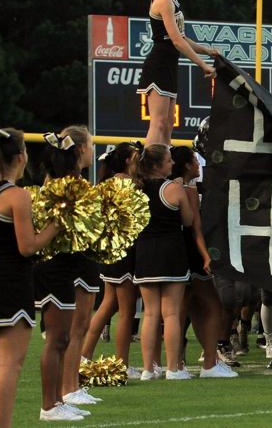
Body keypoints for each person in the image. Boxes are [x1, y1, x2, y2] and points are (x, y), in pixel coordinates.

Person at [0, 124, 61, 427]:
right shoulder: (17, 196)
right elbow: (27, 247)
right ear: (21, 156)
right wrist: (55, 226)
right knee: (11, 364)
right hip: (13, 281)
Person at [34, 126, 98, 420]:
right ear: (80, 149)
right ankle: (56, 400)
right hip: (59, 262)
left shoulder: (74, 182)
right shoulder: (61, 184)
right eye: (91, 144)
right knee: (60, 335)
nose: (93, 150)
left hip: (72, 260)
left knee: (69, 332)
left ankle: (62, 396)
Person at [138, 0, 217, 145]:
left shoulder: (172, 1)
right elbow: (176, 40)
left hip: (169, 65)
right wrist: (203, 65)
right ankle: (149, 163)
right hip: (159, 65)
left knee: (168, 122)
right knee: (158, 122)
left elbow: (183, 37)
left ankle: (164, 161)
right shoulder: (163, 1)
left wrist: (207, 51)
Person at [170, 146, 237, 378]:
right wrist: (205, 255)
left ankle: (176, 364)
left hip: (174, 252)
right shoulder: (187, 188)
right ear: (187, 165)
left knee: (183, 308)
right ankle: (209, 362)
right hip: (191, 252)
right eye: (195, 161)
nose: (199, 164)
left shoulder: (167, 186)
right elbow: (195, 227)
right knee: (211, 306)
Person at [133, 144, 194, 379]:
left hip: (145, 253)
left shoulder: (135, 189)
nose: (173, 163)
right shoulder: (173, 189)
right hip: (172, 254)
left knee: (150, 314)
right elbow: (188, 221)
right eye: (169, 160)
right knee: (171, 314)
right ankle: (172, 369)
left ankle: (148, 369)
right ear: (158, 165)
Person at [81, 143, 142, 377]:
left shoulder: (105, 184)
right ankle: (122, 364)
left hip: (110, 250)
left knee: (108, 304)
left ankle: (84, 355)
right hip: (125, 251)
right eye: (136, 157)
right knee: (126, 310)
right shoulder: (130, 184)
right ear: (127, 161)